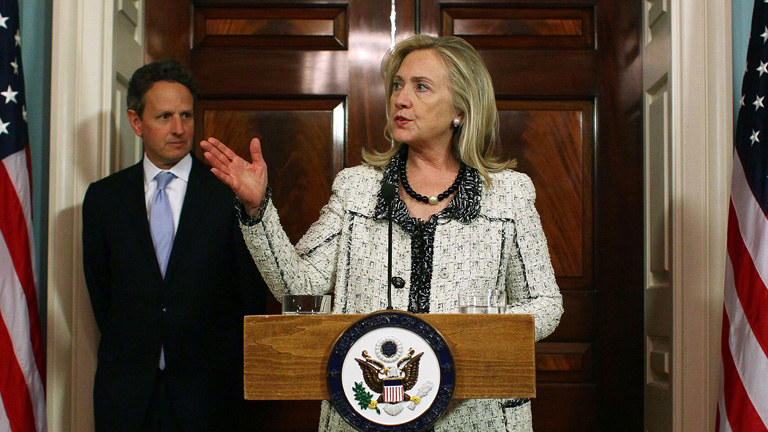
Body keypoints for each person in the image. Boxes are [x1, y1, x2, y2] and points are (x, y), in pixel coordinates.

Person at [201, 35, 563, 431]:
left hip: (476, 416)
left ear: (460, 109)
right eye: (397, 85)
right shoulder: (357, 188)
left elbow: (545, 304)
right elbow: (299, 285)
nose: (401, 99)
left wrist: (468, 341)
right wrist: (258, 210)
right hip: (364, 416)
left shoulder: (508, 195)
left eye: (421, 87)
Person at [82, 59, 266, 432]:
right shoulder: (104, 199)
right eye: (165, 117)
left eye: (186, 115)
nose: (179, 128)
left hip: (209, 396)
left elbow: (251, 294)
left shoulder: (229, 194)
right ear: (136, 122)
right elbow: (103, 295)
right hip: (128, 395)